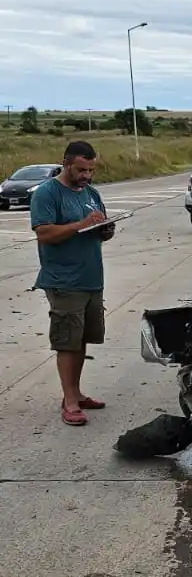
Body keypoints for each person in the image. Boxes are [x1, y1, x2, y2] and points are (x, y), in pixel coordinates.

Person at [30, 140, 114, 426]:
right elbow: (44, 234)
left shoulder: (91, 193)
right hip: (64, 281)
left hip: (91, 278)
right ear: (65, 164)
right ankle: (69, 401)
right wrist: (81, 224)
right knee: (67, 342)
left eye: (91, 170)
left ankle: (76, 393)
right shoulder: (47, 193)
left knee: (80, 339)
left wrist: (105, 230)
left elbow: (97, 230)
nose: (86, 175)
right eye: (81, 170)